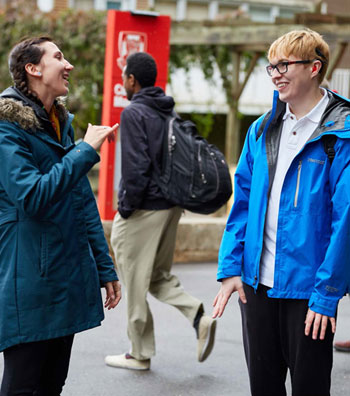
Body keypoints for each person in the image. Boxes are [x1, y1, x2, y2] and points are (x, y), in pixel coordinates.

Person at [213, 29, 350, 396]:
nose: (275, 73)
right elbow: (241, 202)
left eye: (285, 64)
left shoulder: (343, 133)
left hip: (309, 289)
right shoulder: (262, 129)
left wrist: (327, 294)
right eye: (271, 66)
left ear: (314, 68)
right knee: (264, 387)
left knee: (310, 387)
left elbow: (346, 222)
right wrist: (231, 268)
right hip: (257, 287)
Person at [0, 36, 121, 395]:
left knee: (53, 383)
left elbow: (81, 201)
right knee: (23, 386)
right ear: (33, 69)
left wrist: (104, 266)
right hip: (28, 279)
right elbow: (32, 196)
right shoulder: (7, 126)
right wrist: (84, 150)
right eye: (58, 57)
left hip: (62, 275)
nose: (67, 65)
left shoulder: (58, 121)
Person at [105, 52, 216, 371]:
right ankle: (198, 315)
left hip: (145, 207)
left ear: (131, 80)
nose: (122, 81)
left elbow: (136, 169)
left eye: (124, 76)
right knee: (156, 276)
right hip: (171, 205)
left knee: (134, 279)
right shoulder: (167, 110)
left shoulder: (134, 112)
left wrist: (125, 209)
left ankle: (139, 353)